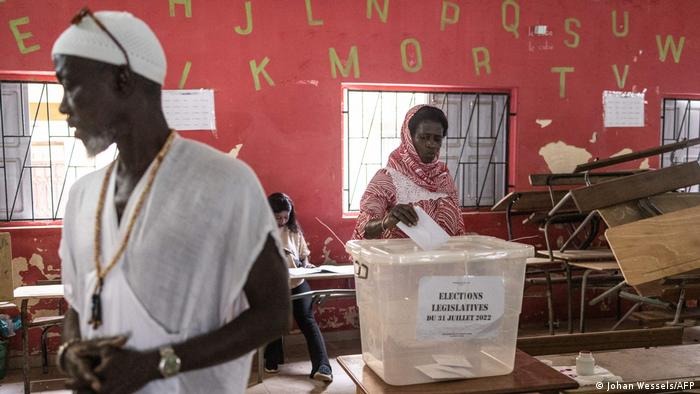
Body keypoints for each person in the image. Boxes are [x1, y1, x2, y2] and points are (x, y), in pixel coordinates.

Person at [52, 8, 289, 394]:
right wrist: (71, 351)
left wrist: (157, 364)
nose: (63, 106)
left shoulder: (223, 181)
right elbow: (79, 304)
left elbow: (275, 313)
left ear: (122, 79)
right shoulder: (82, 195)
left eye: (70, 85)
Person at [352, 105, 466, 239]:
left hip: (444, 258)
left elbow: (457, 225)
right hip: (401, 259)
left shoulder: (443, 176)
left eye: (437, 139)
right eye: (424, 137)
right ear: (409, 138)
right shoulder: (388, 178)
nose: (431, 144)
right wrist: (387, 221)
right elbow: (364, 229)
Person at [263, 193, 333, 383]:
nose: (282, 221)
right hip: (273, 285)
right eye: (278, 217)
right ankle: (272, 359)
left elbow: (303, 256)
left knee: (308, 320)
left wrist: (306, 264)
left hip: (297, 281)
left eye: (286, 217)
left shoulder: (293, 230)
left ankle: (322, 366)